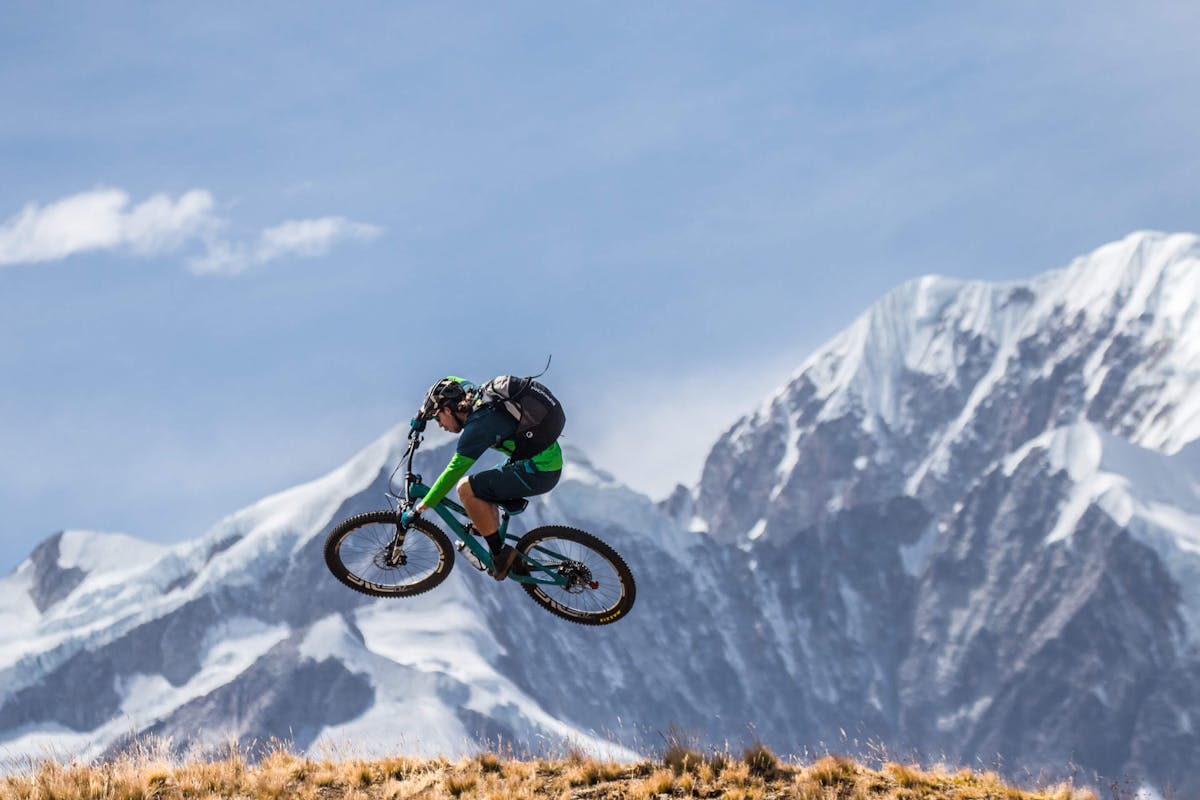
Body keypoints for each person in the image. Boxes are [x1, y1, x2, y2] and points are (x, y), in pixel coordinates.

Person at [401, 376, 563, 580]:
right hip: (537, 463)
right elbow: (452, 379)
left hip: (539, 471)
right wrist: (421, 416)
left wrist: (421, 508)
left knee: (465, 488)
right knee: (479, 495)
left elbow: (453, 471)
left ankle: (500, 556)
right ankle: (499, 547)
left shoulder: (478, 427)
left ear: (448, 410)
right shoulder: (479, 399)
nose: (440, 425)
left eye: (438, 417)